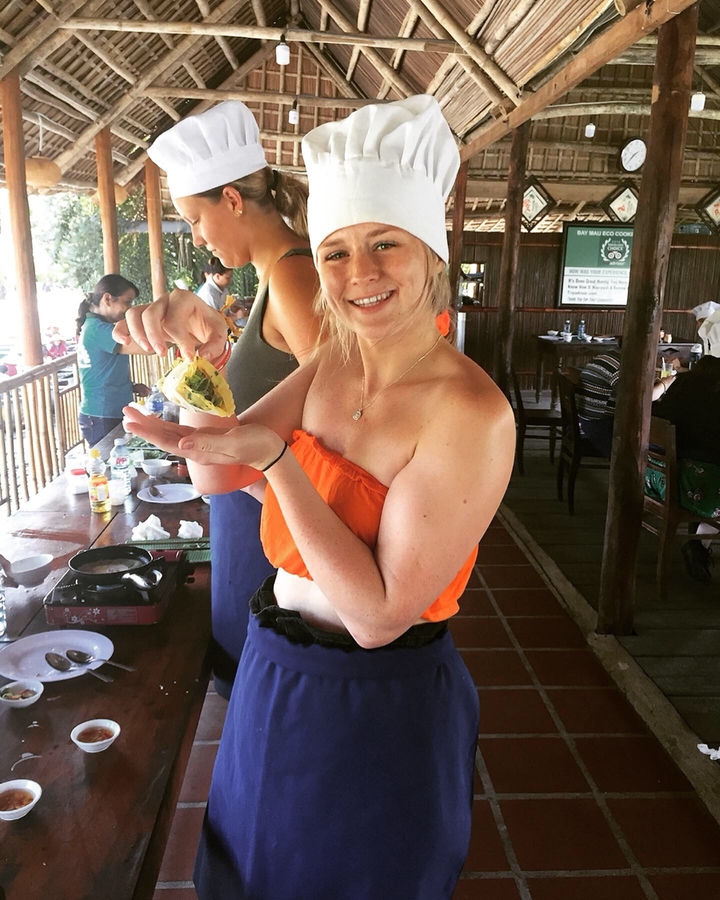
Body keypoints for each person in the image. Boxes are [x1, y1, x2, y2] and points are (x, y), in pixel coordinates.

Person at [122, 95, 515, 900]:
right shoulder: (331, 363)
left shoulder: (471, 413)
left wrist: (279, 461)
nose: (358, 274)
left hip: (377, 698)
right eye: (334, 252)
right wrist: (203, 352)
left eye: (384, 245)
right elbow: (214, 470)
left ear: (430, 253)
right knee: (248, 866)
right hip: (277, 662)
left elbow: (377, 617)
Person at [118, 100, 319, 698]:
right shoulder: (272, 278)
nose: (198, 238)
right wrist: (204, 345)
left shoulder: (291, 276)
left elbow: (341, 419)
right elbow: (278, 389)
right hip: (253, 513)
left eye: (196, 219)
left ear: (232, 199)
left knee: (267, 695)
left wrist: (255, 474)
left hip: (275, 521)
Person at [650, 355, 720, 582]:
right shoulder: (714, 400)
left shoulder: (679, 387)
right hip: (690, 485)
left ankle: (699, 545)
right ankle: (699, 544)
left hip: (656, 477)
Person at [76, 275, 150, 447]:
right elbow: (147, 347)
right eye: (128, 301)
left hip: (104, 411)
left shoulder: (94, 326)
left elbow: (101, 371)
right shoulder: (100, 330)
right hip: (102, 414)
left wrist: (129, 386)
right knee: (111, 467)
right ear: (108, 299)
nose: (130, 309)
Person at [576, 350, 675, 457]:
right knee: (665, 450)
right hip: (601, 429)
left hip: (586, 422)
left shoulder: (607, 358)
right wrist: (665, 383)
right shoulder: (620, 367)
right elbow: (642, 398)